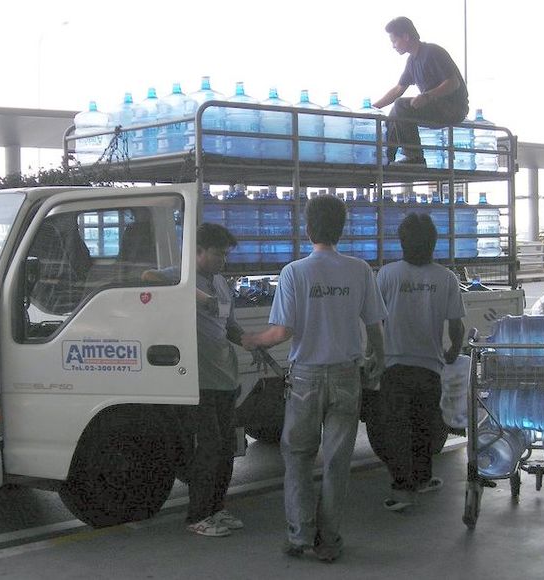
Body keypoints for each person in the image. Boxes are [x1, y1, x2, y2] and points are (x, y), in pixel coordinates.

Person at [241, 195, 386, 562]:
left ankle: (300, 535)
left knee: (299, 457)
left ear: (307, 229)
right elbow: (374, 326)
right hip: (346, 376)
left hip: (305, 378)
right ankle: (329, 542)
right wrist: (376, 360)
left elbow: (282, 332)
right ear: (342, 228)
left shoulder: (295, 272)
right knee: (337, 462)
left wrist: (252, 339)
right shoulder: (359, 270)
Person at [141, 223, 245, 538]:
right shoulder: (181, 276)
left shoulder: (222, 284)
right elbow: (149, 277)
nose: (222, 261)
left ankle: (217, 509)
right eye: (217, 254)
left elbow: (229, 325)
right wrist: (200, 296)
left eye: (225, 255)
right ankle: (198, 515)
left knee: (227, 448)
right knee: (209, 449)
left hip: (226, 378)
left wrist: (253, 342)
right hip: (198, 383)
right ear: (198, 252)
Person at [375, 212, 465, 511]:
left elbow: (375, 321)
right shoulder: (446, 277)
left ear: (401, 242)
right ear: (433, 243)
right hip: (430, 366)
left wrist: (375, 354)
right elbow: (456, 324)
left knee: (397, 428)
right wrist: (453, 351)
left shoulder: (387, 275)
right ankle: (423, 479)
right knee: (425, 426)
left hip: (394, 365)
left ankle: (402, 490)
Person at [373, 16, 469, 166]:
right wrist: (373, 109)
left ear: (406, 36)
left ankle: (415, 157)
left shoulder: (432, 52)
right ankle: (386, 158)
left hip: (452, 108)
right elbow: (398, 89)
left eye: (394, 41)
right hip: (435, 107)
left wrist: (427, 96)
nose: (393, 46)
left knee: (401, 106)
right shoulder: (412, 61)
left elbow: (453, 83)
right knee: (392, 116)